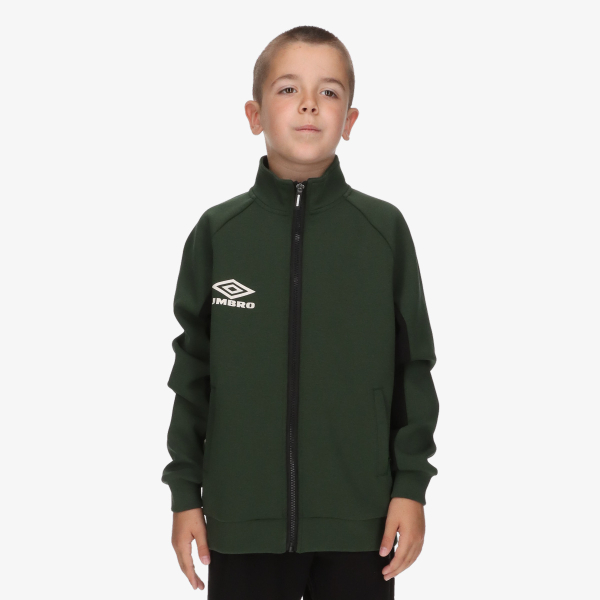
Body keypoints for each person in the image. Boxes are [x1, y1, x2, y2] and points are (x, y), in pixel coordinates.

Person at [161, 25, 439, 600]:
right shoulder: (219, 233)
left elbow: (413, 367)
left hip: (361, 525)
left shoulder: (383, 231)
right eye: (288, 89)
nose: (310, 103)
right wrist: (185, 495)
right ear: (254, 114)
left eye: (329, 92)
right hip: (242, 526)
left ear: (350, 120)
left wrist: (410, 487)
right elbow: (192, 375)